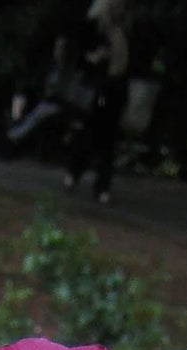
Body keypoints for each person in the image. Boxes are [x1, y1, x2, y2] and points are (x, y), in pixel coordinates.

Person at [63, 0, 130, 205]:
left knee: (109, 141)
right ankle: (74, 172)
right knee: (89, 134)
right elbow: (78, 55)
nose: (121, 10)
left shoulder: (124, 31)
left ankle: (102, 186)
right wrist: (95, 57)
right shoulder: (94, 28)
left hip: (115, 88)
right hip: (96, 89)